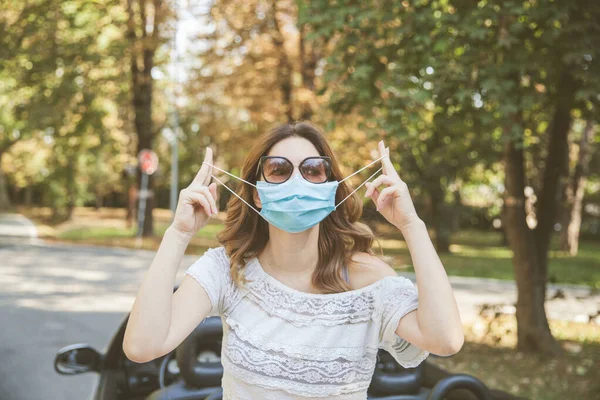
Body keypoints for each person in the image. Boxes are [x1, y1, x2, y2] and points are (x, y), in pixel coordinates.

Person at [123, 121, 464, 399]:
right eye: (278, 169)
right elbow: (142, 346)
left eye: (314, 170)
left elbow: (445, 339)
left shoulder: (366, 279)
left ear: (331, 186)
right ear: (257, 191)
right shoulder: (228, 271)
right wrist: (178, 234)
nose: (298, 181)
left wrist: (411, 225)